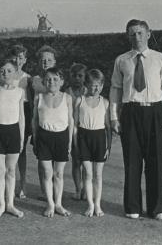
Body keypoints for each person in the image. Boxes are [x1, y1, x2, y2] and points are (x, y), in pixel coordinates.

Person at [110, 19, 162, 221]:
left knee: (155, 160)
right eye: (132, 34)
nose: (136, 37)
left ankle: (156, 208)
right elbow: (115, 89)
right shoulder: (122, 60)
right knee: (132, 161)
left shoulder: (159, 58)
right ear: (127, 36)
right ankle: (132, 207)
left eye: (140, 33)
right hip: (130, 112)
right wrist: (114, 117)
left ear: (148, 34)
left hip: (155, 113)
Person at [0, 60, 25, 218]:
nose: (5, 74)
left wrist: (21, 139)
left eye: (9, 71)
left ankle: (10, 204)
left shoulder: (20, 92)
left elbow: (21, 117)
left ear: (15, 73)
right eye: (2, 71)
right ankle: (1, 205)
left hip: (13, 132)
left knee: (10, 171)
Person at [32, 67, 73, 217]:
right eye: (48, 79)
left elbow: (71, 121)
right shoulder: (39, 97)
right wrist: (35, 139)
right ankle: (50, 204)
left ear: (61, 81)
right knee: (47, 173)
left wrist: (69, 142)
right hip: (44, 138)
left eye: (55, 79)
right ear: (43, 81)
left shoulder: (67, 98)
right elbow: (35, 120)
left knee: (59, 173)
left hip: (61, 138)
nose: (52, 82)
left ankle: (58, 204)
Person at [73, 69, 111, 217]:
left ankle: (97, 205)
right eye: (93, 85)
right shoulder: (80, 101)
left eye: (99, 86)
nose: (96, 89)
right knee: (88, 174)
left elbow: (108, 128)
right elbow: (75, 125)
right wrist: (76, 145)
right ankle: (90, 205)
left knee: (98, 175)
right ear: (86, 84)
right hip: (84, 139)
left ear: (102, 86)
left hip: (100, 139)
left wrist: (108, 146)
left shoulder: (105, 102)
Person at [29, 45, 58, 201]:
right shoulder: (34, 80)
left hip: (57, 123)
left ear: (54, 62)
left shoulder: (59, 79)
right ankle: (44, 190)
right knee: (42, 158)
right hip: (40, 123)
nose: (45, 62)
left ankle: (55, 188)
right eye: (42, 60)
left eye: (49, 60)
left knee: (56, 160)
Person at [7, 44, 32, 199]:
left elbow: (31, 99)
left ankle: (22, 184)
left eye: (21, 57)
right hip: (8, 112)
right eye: (15, 57)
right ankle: (8, 183)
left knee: (21, 151)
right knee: (8, 151)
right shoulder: (5, 73)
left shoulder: (28, 78)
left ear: (25, 60)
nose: (18, 61)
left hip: (23, 110)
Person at [65, 63, 87, 201]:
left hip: (86, 129)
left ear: (85, 77)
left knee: (86, 161)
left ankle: (86, 188)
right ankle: (78, 189)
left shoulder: (88, 90)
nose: (77, 78)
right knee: (76, 161)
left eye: (80, 76)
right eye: (74, 76)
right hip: (72, 129)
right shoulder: (67, 92)